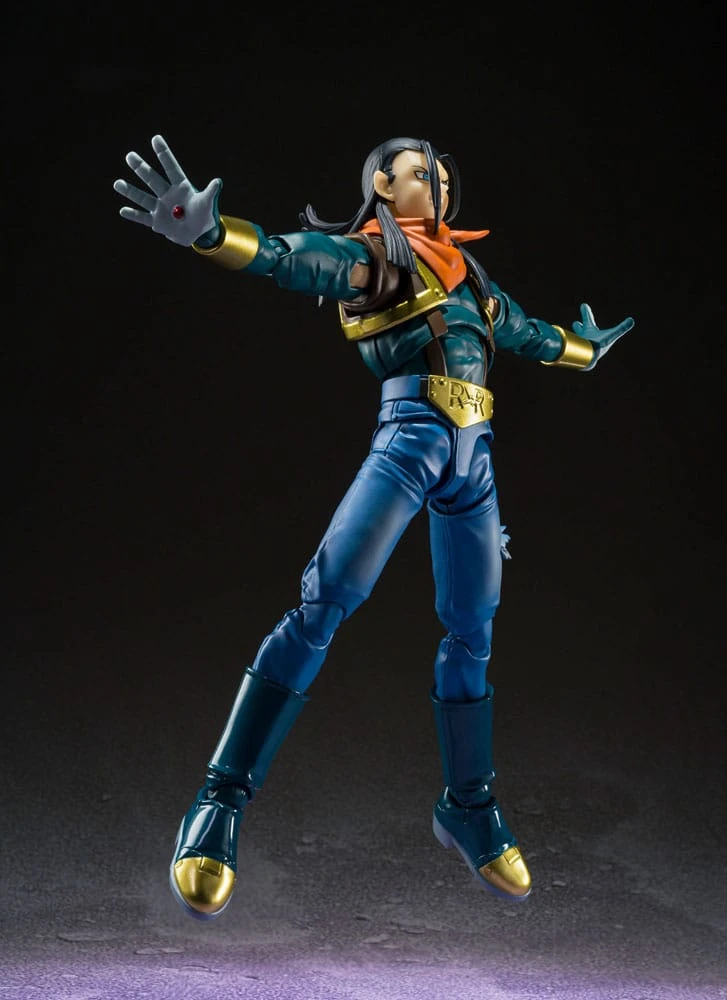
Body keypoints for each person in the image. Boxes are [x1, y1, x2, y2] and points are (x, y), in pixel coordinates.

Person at [114, 134, 634, 919]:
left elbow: (525, 331)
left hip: (475, 456)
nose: (440, 185)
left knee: (474, 631)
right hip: (410, 442)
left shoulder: (470, 279)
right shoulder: (376, 258)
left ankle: (469, 804)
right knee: (323, 604)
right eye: (423, 173)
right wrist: (214, 235)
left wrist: (578, 350)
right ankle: (219, 801)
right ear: (384, 186)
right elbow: (293, 259)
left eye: (445, 175)